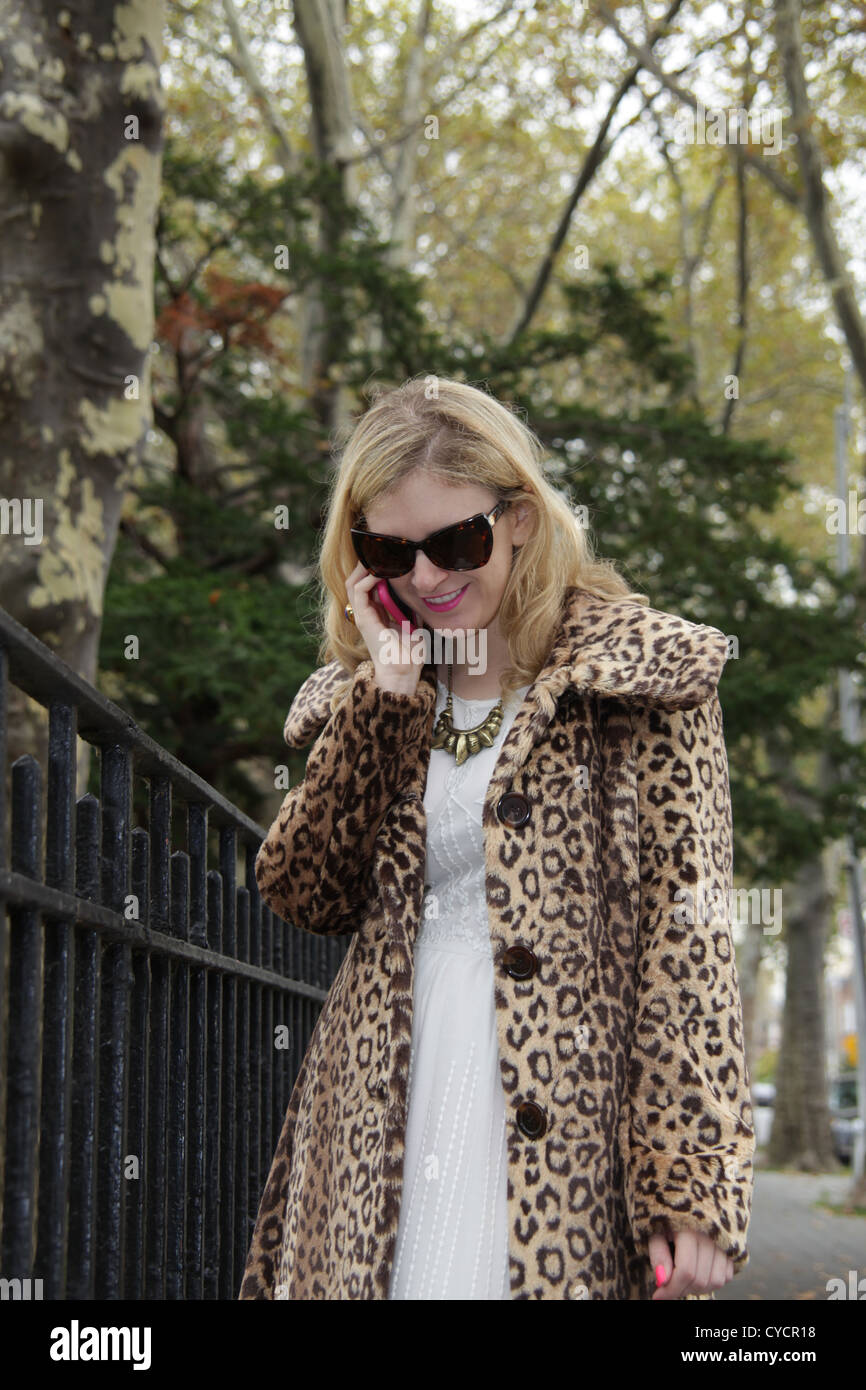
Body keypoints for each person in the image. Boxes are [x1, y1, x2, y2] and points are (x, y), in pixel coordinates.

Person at [239, 376, 755, 1301]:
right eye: (390, 550)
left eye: (458, 541)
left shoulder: (644, 682)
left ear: (518, 517)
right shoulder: (371, 691)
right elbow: (302, 893)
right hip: (381, 1100)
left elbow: (694, 933)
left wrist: (692, 1178)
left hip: (573, 1113)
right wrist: (384, 707)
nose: (429, 578)